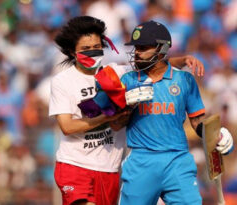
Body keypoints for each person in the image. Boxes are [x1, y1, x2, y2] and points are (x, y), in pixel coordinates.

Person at [49, 16, 205, 205]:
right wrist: (108, 117)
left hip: (109, 168)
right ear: (72, 51)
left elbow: (154, 64)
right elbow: (67, 127)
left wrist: (184, 59)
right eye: (85, 49)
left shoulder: (117, 74)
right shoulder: (62, 81)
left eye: (96, 47)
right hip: (75, 165)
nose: (92, 53)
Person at [118, 21, 234, 205]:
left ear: (162, 49)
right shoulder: (128, 80)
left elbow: (197, 123)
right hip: (141, 161)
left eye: (143, 47)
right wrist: (126, 109)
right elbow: (115, 124)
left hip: (177, 160)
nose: (137, 52)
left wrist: (216, 136)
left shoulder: (184, 80)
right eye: (136, 47)